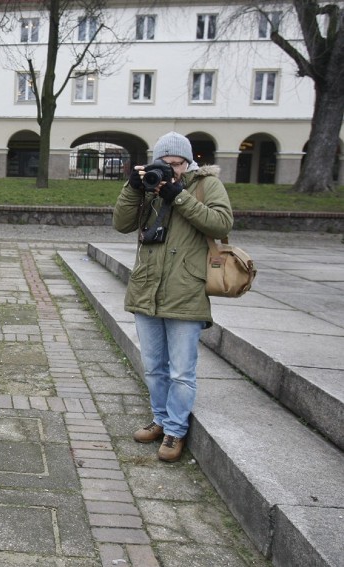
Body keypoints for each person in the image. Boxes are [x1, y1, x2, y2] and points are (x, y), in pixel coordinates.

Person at [112, 132, 233, 462]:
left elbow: (221, 224)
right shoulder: (149, 186)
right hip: (147, 288)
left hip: (186, 290)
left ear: (189, 161)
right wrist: (133, 188)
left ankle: (175, 431)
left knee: (181, 370)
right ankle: (160, 420)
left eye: (176, 164)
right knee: (153, 367)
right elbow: (121, 224)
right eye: (163, 164)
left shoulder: (206, 184)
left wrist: (180, 196)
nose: (169, 171)